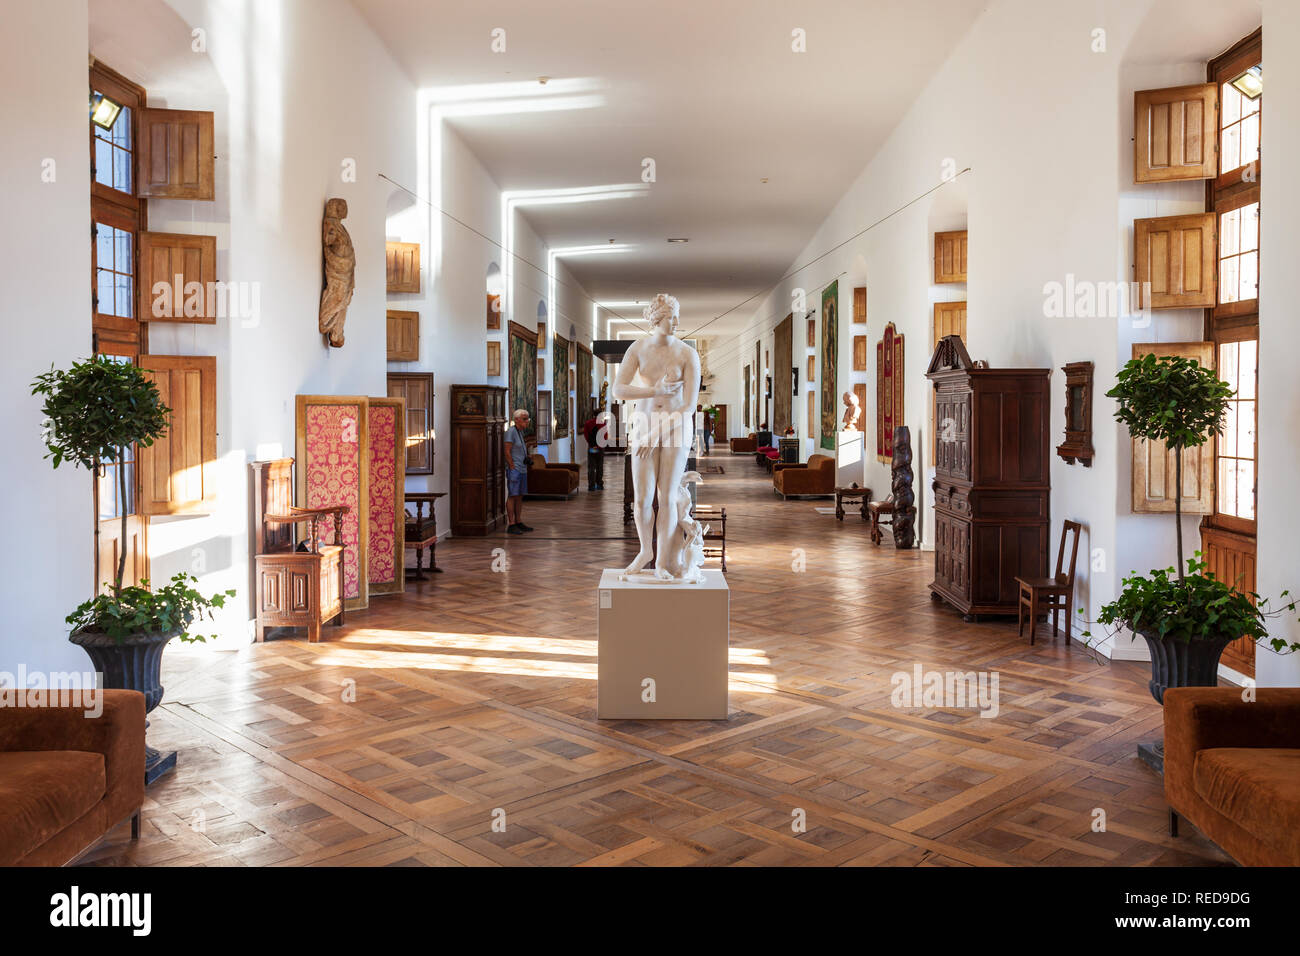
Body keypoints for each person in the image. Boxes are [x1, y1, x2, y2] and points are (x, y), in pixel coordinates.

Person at [613, 293, 701, 579]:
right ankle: (645, 551)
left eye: (676, 317)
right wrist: (654, 391)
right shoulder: (638, 349)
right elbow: (619, 389)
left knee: (667, 497)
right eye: (669, 318)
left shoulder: (688, 354)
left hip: (675, 427)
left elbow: (688, 406)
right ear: (655, 320)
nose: (676, 323)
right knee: (641, 498)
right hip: (643, 423)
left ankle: (663, 561)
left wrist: (657, 432)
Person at [503, 409, 533, 535]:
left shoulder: (520, 432)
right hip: (515, 469)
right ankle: (511, 524)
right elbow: (507, 451)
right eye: (524, 419)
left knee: (520, 496)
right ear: (517, 420)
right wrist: (512, 466)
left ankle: (519, 521)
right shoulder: (510, 432)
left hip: (522, 468)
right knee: (512, 495)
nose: (527, 421)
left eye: (527, 419)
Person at [582, 412, 605, 490]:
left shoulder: (588, 423)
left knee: (591, 467)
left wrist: (591, 444)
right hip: (600, 447)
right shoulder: (602, 423)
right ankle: (599, 484)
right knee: (599, 466)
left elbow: (586, 435)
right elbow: (605, 435)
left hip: (591, 447)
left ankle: (591, 485)